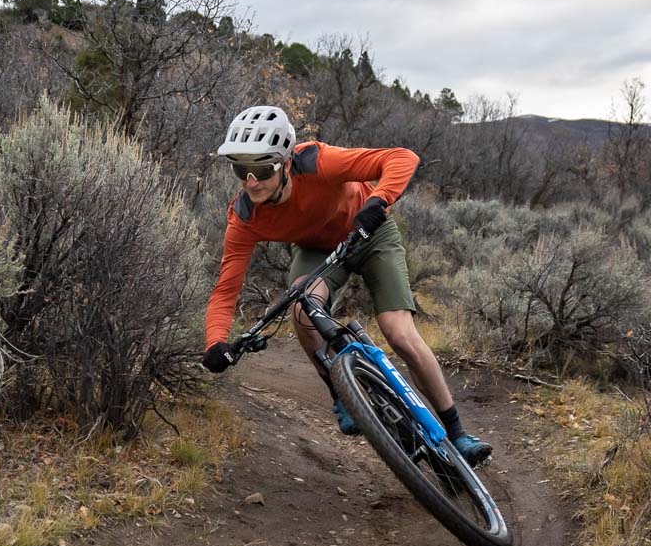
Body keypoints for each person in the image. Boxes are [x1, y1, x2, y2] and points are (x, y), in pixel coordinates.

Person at [200, 105, 492, 467]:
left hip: (370, 233)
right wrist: (215, 343)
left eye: (262, 169)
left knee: (398, 332)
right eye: (240, 170)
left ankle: (457, 431)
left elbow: (401, 158)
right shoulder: (244, 216)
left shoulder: (317, 162)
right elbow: (226, 291)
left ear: (286, 163)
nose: (251, 181)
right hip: (319, 250)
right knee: (302, 307)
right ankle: (343, 392)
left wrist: (377, 201)